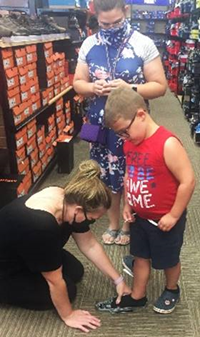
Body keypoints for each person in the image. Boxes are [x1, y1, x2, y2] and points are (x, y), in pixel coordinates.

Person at [73, 0, 167, 246]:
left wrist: (131, 87)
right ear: (96, 17)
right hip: (101, 126)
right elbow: (78, 82)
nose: (111, 27)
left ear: (126, 11)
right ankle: (114, 222)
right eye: (105, 23)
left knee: (131, 174)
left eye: (116, 22)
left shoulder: (142, 43)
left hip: (132, 127)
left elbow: (160, 86)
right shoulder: (89, 43)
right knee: (106, 176)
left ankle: (128, 223)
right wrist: (93, 87)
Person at [95, 87, 195, 314]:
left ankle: (172, 289)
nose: (123, 138)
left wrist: (174, 214)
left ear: (141, 114)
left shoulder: (167, 143)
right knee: (140, 256)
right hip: (140, 217)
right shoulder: (131, 142)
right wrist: (128, 204)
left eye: (124, 131)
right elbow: (130, 173)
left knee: (168, 260)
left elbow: (187, 181)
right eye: (119, 134)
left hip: (166, 219)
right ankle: (138, 296)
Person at [0, 160, 131, 332]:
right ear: (78, 210)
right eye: (91, 219)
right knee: (68, 290)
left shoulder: (69, 198)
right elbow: (54, 282)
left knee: (76, 271)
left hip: (26, 250)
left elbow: (90, 244)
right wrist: (68, 315)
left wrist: (118, 280)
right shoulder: (41, 225)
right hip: (7, 270)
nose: (91, 223)